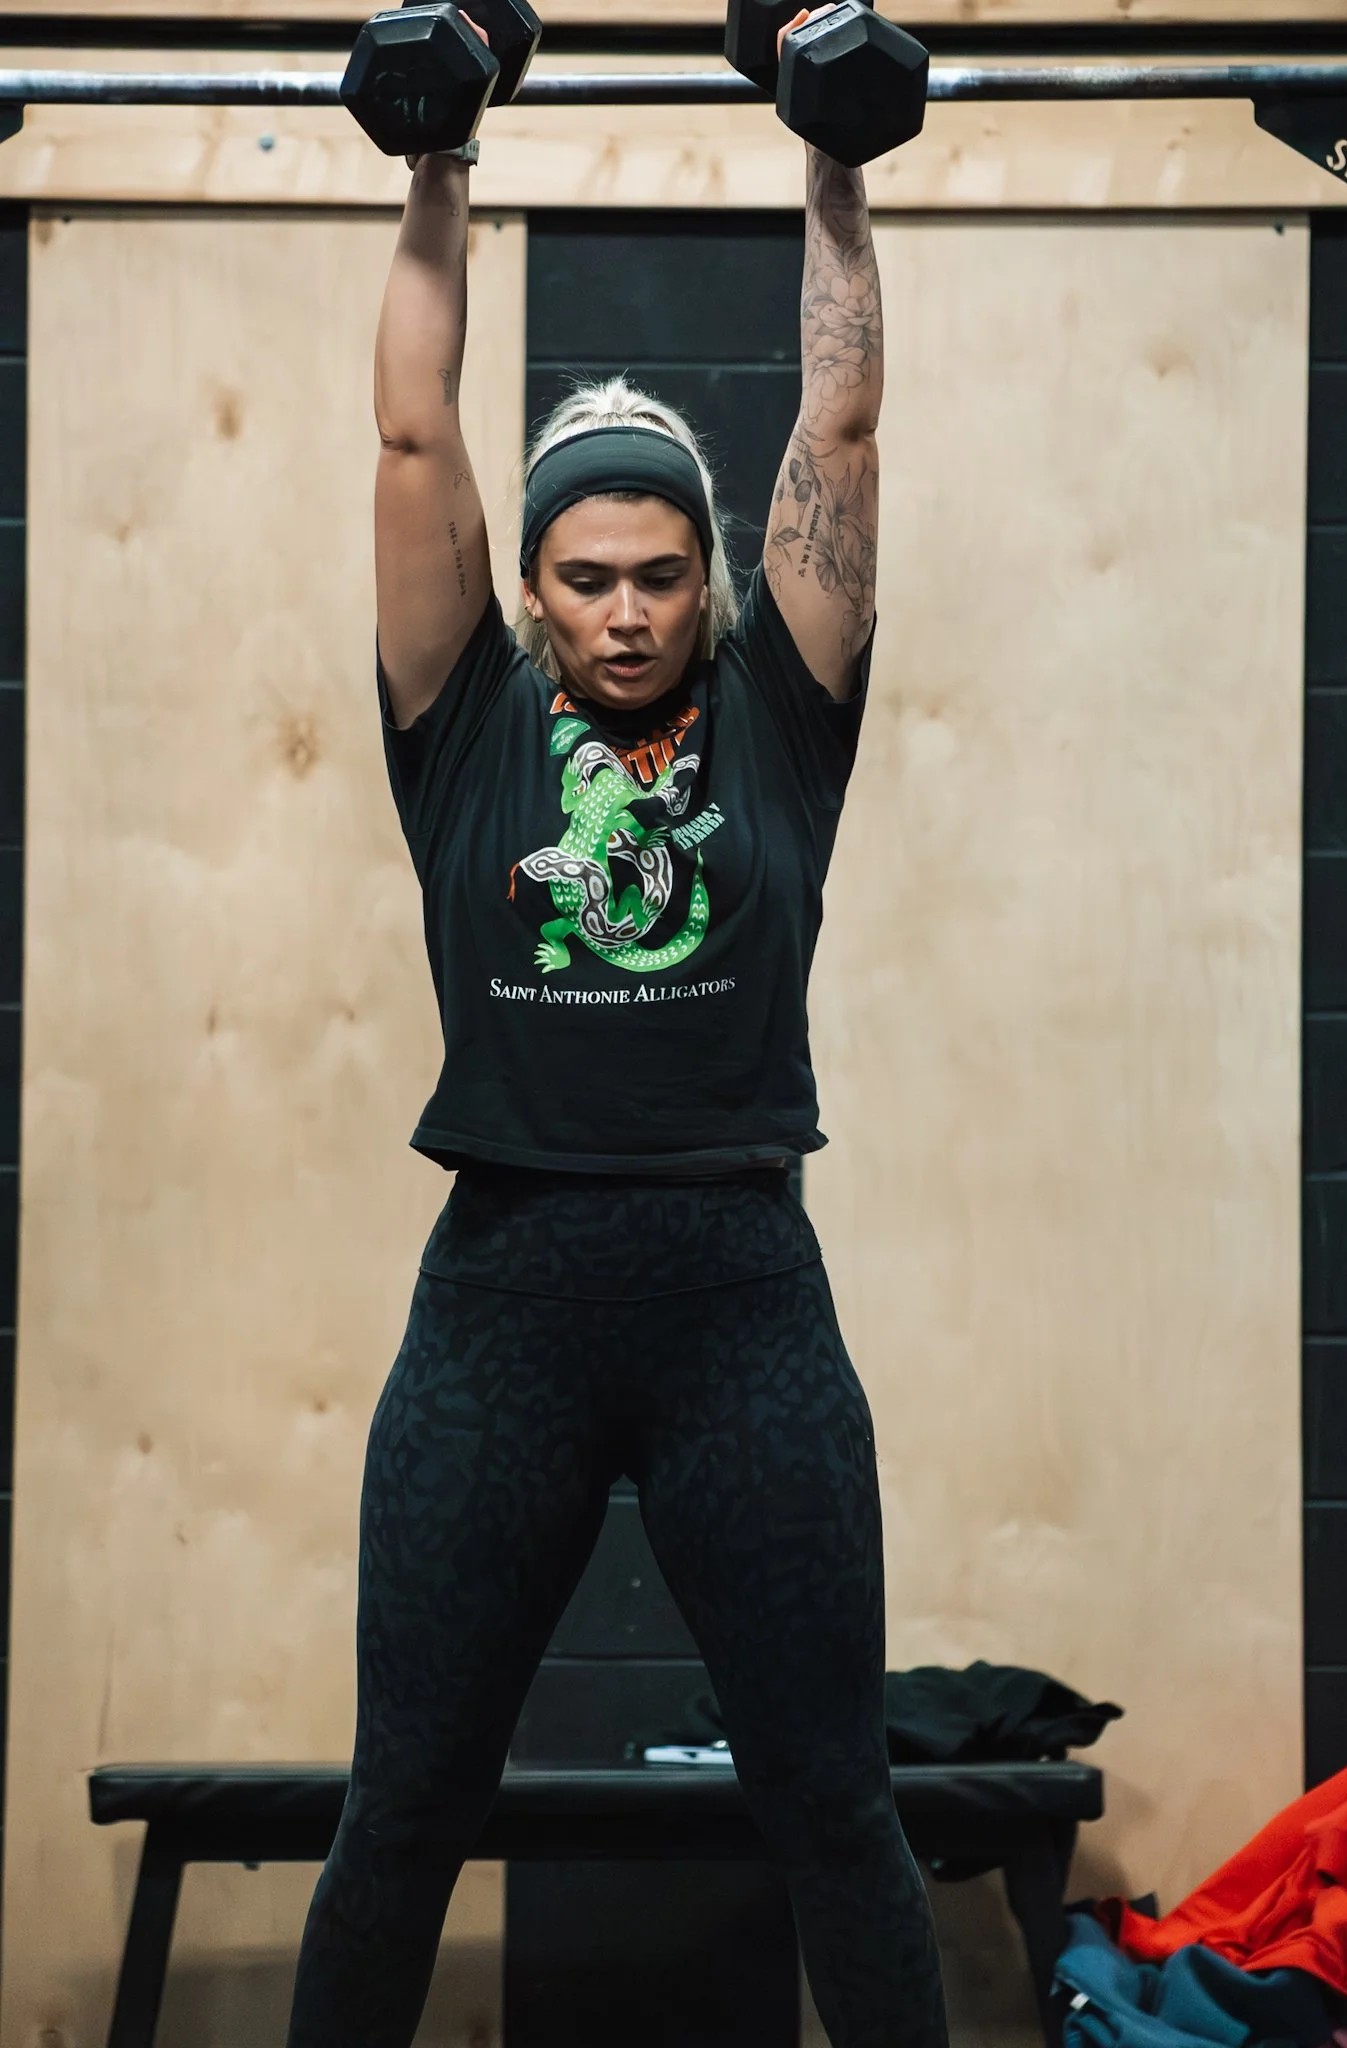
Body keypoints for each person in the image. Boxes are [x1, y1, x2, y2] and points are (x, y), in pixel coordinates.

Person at [285, 12, 949, 2043]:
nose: (632, 610)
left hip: (742, 1292)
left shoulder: (779, 719)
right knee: (405, 1805)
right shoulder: (463, 719)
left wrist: (833, 168)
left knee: (837, 1805)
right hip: (507, 1295)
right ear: (536, 591)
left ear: (709, 582)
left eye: (663, 573)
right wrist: (437, 164)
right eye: (588, 578)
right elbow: (415, 442)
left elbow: (839, 435)